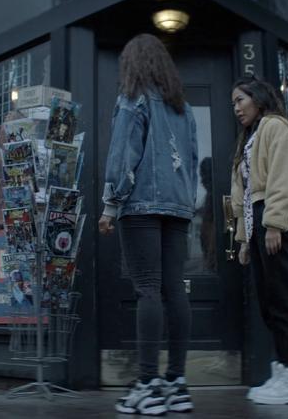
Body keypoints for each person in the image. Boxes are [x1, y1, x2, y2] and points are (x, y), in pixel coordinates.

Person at [98, 33, 198, 415]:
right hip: (178, 207)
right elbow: (190, 161)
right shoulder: (183, 108)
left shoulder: (132, 98)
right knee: (175, 291)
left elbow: (124, 154)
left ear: (132, 64)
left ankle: (147, 384)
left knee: (148, 290)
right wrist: (187, 203)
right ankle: (176, 383)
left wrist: (110, 205)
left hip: (140, 205)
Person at [230, 76, 288, 405]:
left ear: (258, 98)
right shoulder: (249, 138)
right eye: (233, 103)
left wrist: (275, 224)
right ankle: (286, 370)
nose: (236, 108)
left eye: (240, 100)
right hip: (260, 221)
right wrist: (245, 239)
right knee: (269, 302)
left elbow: (283, 177)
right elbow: (245, 194)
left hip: (274, 219)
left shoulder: (275, 127)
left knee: (283, 298)